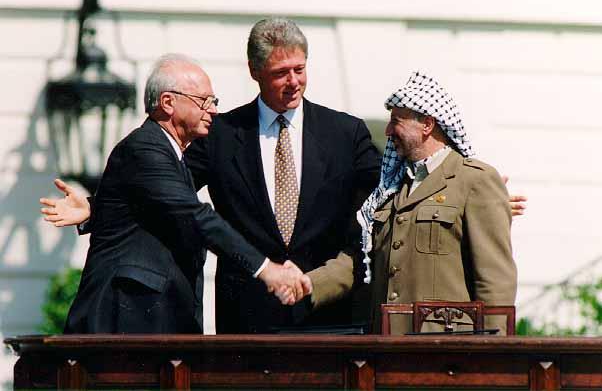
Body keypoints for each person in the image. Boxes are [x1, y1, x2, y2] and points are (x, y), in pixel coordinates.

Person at [42, 19, 526, 334]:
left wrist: (469, 190)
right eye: (280, 73)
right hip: (246, 320)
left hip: (328, 315)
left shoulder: (346, 132)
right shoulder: (221, 133)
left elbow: (394, 186)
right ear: (255, 72)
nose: (293, 81)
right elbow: (169, 196)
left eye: (300, 69)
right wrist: (99, 206)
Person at [44, 54, 305, 334]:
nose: (213, 110)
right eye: (204, 101)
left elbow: (150, 202)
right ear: (168, 103)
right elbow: (193, 215)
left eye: (213, 101)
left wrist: (95, 207)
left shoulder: (173, 155)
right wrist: (266, 270)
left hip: (158, 323)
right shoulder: (145, 148)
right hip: (125, 323)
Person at [291, 71, 517, 335]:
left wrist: (493, 352)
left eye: (396, 121)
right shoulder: (390, 187)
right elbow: (361, 259)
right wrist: (307, 284)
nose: (387, 131)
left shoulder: (474, 180)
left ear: (427, 125)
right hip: (386, 348)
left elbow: (495, 281)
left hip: (448, 351)